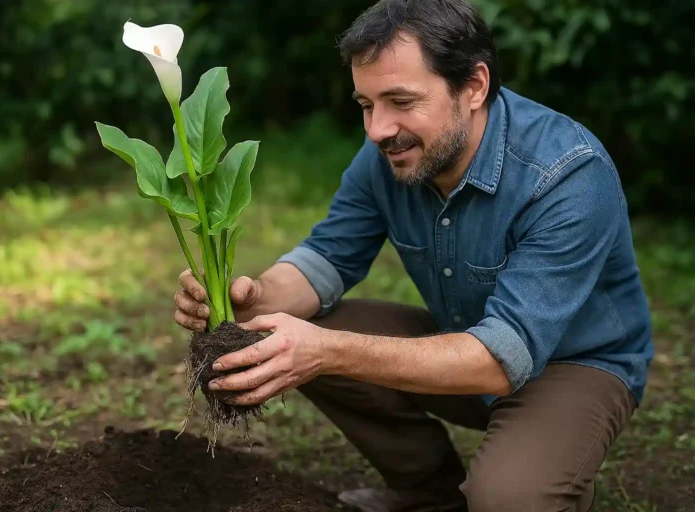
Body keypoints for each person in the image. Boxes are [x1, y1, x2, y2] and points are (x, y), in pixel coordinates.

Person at [173, 1, 654, 510]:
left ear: (473, 86)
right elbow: (326, 259)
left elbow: (498, 358)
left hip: (574, 365)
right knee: (290, 326)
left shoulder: (566, 175)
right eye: (366, 104)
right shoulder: (393, 153)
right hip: (465, 343)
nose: (378, 129)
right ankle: (429, 488)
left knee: (507, 498)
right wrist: (251, 298)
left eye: (400, 101)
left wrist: (327, 349)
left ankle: (550, 472)